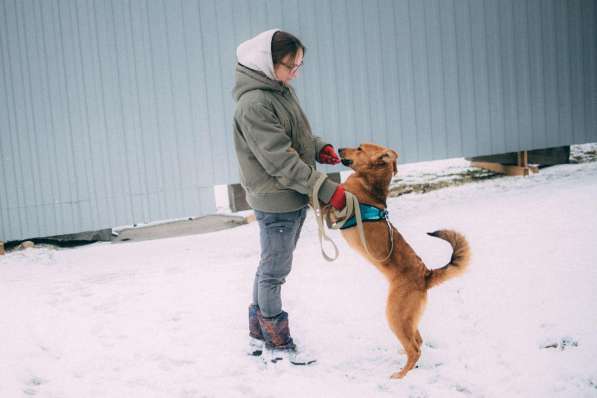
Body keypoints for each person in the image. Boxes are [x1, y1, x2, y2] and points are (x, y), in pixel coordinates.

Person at [232, 29, 346, 363]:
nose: (295, 72)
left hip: (291, 194)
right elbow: (280, 159)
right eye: (290, 65)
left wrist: (318, 146)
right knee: (274, 271)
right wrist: (326, 189)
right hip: (277, 199)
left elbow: (297, 136)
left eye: (299, 65)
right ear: (268, 62)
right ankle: (276, 345)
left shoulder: (279, 90)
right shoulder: (254, 104)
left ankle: (257, 335)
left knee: (269, 265)